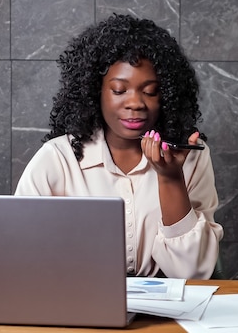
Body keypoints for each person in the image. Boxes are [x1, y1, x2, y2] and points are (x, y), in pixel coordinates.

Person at [15, 14, 223, 279]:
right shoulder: (57, 159)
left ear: (167, 96)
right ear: (95, 92)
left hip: (165, 310)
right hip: (77, 304)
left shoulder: (189, 157)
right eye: (118, 90)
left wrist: (170, 179)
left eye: (149, 91)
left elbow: (193, 274)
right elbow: (19, 255)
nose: (135, 103)